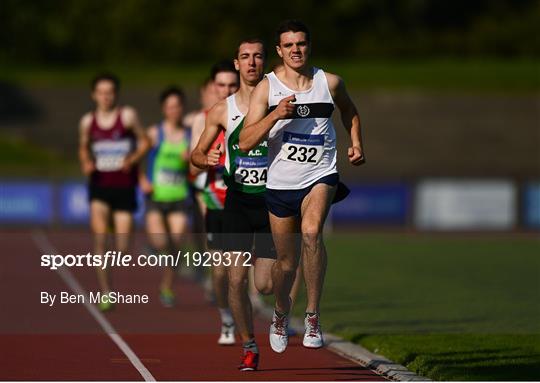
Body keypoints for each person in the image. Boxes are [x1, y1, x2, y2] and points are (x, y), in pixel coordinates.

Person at [240, 20, 365, 353]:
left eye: (301, 44)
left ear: (309, 46)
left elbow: (350, 110)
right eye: (289, 45)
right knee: (285, 263)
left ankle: (312, 315)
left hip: (320, 175)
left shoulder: (330, 82)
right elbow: (245, 142)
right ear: (279, 51)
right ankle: (281, 314)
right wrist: (276, 115)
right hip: (280, 186)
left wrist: (355, 142)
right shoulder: (266, 89)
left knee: (311, 233)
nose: (296, 50)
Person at [78, 73, 150, 311]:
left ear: (115, 94)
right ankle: (106, 292)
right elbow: (83, 148)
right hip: (99, 187)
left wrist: (133, 158)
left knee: (122, 247)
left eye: (110, 92)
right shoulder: (88, 122)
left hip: (124, 188)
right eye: (101, 92)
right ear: (93, 95)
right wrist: (86, 161)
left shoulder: (127, 116)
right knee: (100, 241)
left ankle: (112, 229)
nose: (106, 97)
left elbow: (145, 141)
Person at [190, 61, 239, 345]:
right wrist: (208, 159)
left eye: (232, 85)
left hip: (245, 202)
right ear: (212, 87)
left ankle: (261, 315)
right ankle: (227, 318)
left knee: (246, 273)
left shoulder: (251, 113)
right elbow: (193, 166)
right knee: (220, 273)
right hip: (215, 203)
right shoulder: (203, 120)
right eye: (221, 85)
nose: (227, 90)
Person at [139, 86, 191, 308]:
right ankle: (155, 248)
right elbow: (134, 159)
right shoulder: (154, 133)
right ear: (163, 109)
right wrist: (142, 180)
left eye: (177, 106)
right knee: (161, 242)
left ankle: (167, 286)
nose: (174, 110)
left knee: (176, 243)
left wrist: (190, 158)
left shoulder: (189, 134)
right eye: (170, 107)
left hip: (179, 197)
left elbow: (198, 162)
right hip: (157, 197)